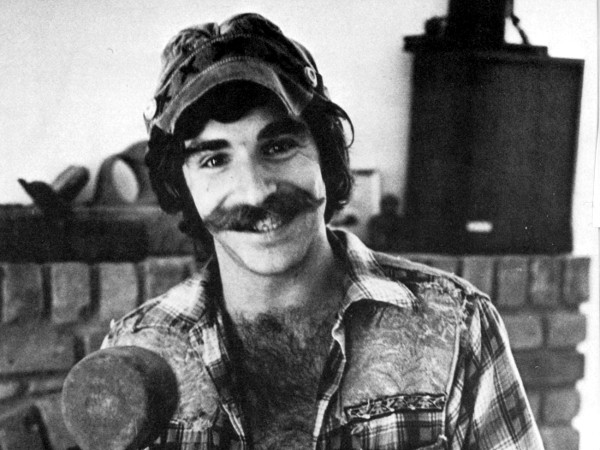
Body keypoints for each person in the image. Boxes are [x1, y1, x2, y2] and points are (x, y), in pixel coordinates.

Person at [102, 13, 544, 450]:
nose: (256, 191)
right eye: (214, 160)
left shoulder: (458, 325)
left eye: (279, 146)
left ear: (325, 154)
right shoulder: (138, 348)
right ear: (182, 187)